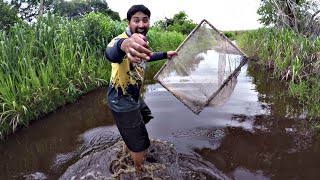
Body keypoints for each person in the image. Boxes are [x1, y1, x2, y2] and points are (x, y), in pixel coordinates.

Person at [104, 4, 177, 170]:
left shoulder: (141, 42)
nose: (141, 24)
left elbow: (147, 56)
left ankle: (129, 141)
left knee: (145, 116)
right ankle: (138, 171)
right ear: (129, 22)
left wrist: (165, 55)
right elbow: (111, 52)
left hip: (133, 95)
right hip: (120, 98)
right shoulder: (121, 40)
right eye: (136, 20)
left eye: (145, 20)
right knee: (141, 145)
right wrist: (125, 44)